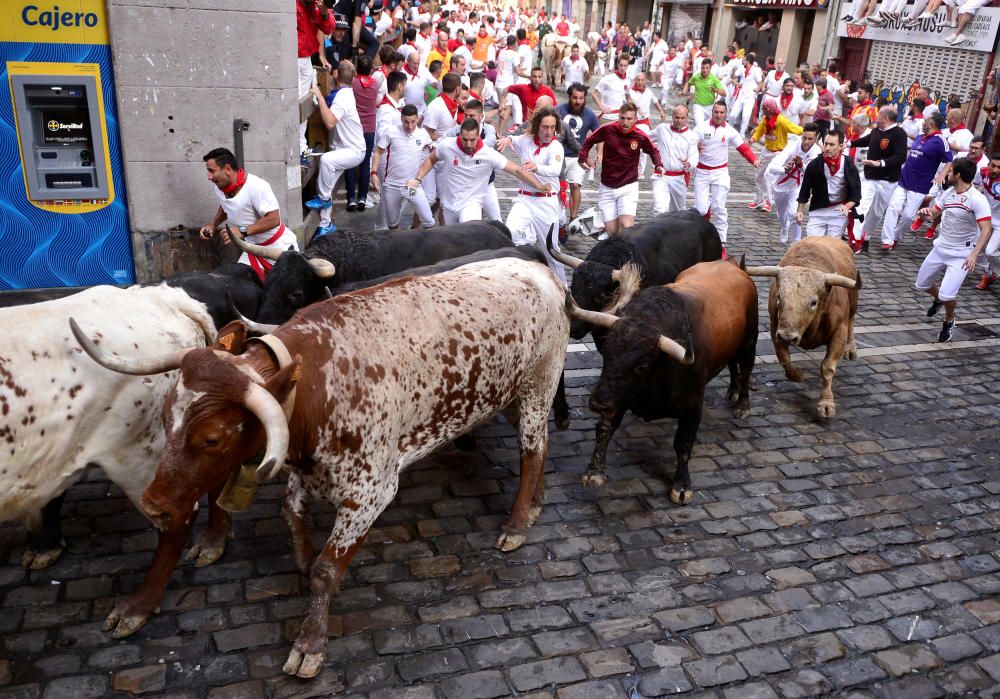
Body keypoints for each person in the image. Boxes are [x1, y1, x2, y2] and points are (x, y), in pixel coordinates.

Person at [406, 117, 552, 222]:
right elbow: (431, 159)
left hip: (471, 206)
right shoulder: (447, 145)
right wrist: (418, 179)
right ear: (460, 135)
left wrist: (539, 186)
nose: (468, 144)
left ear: (478, 137)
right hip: (449, 206)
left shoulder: (488, 154)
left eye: (472, 140)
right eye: (465, 140)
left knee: (467, 240)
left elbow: (517, 170)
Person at [914, 158, 994, 342]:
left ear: (957, 175)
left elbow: (986, 229)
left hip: (961, 255)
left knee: (947, 294)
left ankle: (949, 320)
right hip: (940, 248)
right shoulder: (948, 192)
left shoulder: (977, 199)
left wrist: (974, 255)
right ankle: (939, 299)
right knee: (922, 284)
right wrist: (924, 213)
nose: (947, 174)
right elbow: (934, 213)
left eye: (950, 172)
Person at [198, 147, 297, 280]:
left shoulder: (257, 186)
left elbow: (274, 219)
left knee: (282, 295)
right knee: (239, 286)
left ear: (227, 169)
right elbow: (226, 206)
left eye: (212, 171)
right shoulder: (220, 188)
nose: (209, 177)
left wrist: (242, 231)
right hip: (251, 250)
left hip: (279, 249)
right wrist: (213, 225)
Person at [501, 107, 568, 283]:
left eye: (552, 127)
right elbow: (514, 139)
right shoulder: (526, 140)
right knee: (511, 232)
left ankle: (564, 291)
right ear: (537, 126)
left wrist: (536, 167)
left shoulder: (556, 147)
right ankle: (525, 270)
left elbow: (555, 170)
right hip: (524, 199)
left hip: (547, 203)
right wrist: (507, 139)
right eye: (545, 127)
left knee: (551, 251)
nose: (549, 131)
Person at [578, 102, 664, 237]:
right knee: (613, 232)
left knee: (627, 226)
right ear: (619, 117)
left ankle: (629, 256)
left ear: (635, 119)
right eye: (622, 118)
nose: (625, 122)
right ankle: (617, 251)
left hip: (628, 186)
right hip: (607, 186)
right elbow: (589, 140)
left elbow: (653, 151)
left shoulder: (640, 136)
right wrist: (583, 157)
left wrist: (658, 165)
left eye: (629, 119)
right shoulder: (607, 129)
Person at [306, 61, 367, 236]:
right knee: (326, 183)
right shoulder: (346, 93)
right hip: (349, 149)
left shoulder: (343, 97)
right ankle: (325, 225)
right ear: (353, 78)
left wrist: (317, 91)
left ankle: (324, 200)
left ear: (335, 75)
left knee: (326, 160)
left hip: (353, 151)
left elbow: (330, 122)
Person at [693, 101, 760, 256]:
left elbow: (742, 148)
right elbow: (689, 142)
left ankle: (721, 243)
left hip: (720, 173)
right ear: (712, 111)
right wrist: (695, 147)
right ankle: (703, 231)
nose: (718, 115)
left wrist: (754, 160)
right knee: (701, 210)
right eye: (716, 112)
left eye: (721, 113)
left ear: (726, 113)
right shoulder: (701, 127)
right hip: (702, 173)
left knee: (719, 208)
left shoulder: (730, 131)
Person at [881, 113, 952, 251]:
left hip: (920, 185)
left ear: (932, 124)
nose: (923, 123)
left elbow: (949, 159)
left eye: (925, 121)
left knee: (908, 216)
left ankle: (895, 237)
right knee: (893, 207)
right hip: (904, 179)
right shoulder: (920, 137)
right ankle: (887, 240)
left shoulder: (940, 140)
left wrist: (942, 175)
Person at [848, 105, 908, 252]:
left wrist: (880, 163)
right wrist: (849, 143)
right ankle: (854, 239)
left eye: (879, 115)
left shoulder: (899, 134)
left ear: (886, 118)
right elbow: (867, 140)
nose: (876, 118)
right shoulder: (876, 130)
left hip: (888, 180)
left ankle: (865, 237)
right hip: (870, 177)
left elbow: (900, 157)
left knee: (876, 212)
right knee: (861, 206)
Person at [371, 104, 435, 229]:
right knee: (392, 225)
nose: (409, 126)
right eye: (406, 122)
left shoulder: (423, 135)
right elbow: (378, 152)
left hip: (411, 186)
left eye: (413, 122)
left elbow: (431, 153)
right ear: (401, 118)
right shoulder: (390, 132)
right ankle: (398, 247)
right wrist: (373, 173)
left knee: (428, 220)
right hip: (391, 186)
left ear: (417, 119)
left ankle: (426, 246)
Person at [796, 130, 861, 238]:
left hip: (838, 211)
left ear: (840, 146)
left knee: (832, 247)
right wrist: (800, 210)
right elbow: (805, 189)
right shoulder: (814, 164)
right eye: (826, 144)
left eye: (831, 144)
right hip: (818, 210)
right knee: (813, 245)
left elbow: (856, 192)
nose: (827, 148)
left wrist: (847, 206)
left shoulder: (848, 164)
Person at [767, 122, 822, 244]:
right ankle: (784, 227)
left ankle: (795, 244)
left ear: (816, 138)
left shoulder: (816, 151)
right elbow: (771, 168)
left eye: (810, 139)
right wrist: (784, 169)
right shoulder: (792, 146)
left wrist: (801, 164)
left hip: (797, 186)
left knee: (794, 214)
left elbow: (811, 172)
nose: (806, 142)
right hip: (780, 186)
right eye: (804, 138)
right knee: (782, 215)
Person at [748, 97, 804, 212]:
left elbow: (796, 129)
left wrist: (808, 131)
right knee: (758, 176)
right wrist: (753, 139)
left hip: (778, 153)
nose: (762, 110)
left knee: (768, 175)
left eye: (764, 108)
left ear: (769, 109)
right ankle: (758, 199)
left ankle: (768, 201)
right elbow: (760, 130)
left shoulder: (781, 121)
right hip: (767, 151)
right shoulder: (765, 119)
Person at [296, 0, 334, 158]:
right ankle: (296, 148)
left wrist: (324, 11)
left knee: (304, 102)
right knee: (295, 102)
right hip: (293, 57)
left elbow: (329, 27)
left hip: (306, 57)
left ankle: (301, 146)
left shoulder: (314, 6)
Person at [557, 83, 600, 221]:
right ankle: (558, 217)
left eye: (581, 98)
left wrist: (600, 152)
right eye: (575, 98)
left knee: (575, 185)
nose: (578, 101)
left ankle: (573, 218)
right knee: (558, 188)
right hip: (559, 157)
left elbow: (600, 135)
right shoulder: (558, 110)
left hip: (578, 157)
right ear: (569, 97)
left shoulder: (590, 115)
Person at [649, 104, 699, 214]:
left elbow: (694, 157)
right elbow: (646, 138)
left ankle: (676, 231)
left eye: (682, 118)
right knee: (660, 209)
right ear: (672, 116)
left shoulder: (691, 136)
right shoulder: (662, 129)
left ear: (687, 118)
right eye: (677, 117)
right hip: (660, 176)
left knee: (678, 212)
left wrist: (689, 163)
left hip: (679, 178)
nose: (679, 120)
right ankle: (660, 231)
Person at [346, 56, 380, 212]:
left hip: (355, 129)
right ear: (371, 69)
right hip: (370, 129)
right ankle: (363, 197)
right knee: (365, 163)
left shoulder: (353, 84)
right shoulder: (375, 84)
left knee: (350, 163)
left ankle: (351, 199)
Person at [500, 66, 556, 132]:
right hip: (527, 127)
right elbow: (506, 89)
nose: (537, 79)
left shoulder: (548, 91)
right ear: (530, 77)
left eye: (539, 77)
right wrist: (501, 104)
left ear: (542, 77)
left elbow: (555, 108)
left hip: (542, 127)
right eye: (534, 76)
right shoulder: (523, 89)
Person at [974, 149, 1000, 289]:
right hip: (986, 219)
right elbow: (978, 187)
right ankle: (989, 275)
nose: (995, 169)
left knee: (990, 251)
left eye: (999, 167)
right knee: (980, 249)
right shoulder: (982, 172)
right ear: (988, 164)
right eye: (993, 165)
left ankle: (992, 274)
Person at [684, 58, 726, 126]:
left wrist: (716, 90)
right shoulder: (696, 77)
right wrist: (684, 91)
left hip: (710, 107)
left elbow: (724, 93)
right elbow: (688, 83)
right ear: (701, 68)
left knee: (709, 127)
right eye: (703, 68)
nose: (704, 70)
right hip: (698, 106)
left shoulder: (714, 78)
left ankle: (703, 136)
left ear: (710, 68)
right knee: (700, 125)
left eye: (707, 68)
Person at [730, 53, 763, 136]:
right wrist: (734, 69)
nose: (743, 61)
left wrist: (757, 89)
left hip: (750, 97)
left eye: (744, 60)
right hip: (741, 95)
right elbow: (734, 76)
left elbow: (760, 82)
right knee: (732, 115)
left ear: (748, 61)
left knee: (745, 116)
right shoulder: (742, 69)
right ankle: (729, 130)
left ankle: (742, 133)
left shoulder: (756, 70)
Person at [592, 54, 632, 121]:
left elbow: (628, 97)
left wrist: (635, 108)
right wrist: (601, 107)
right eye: (621, 65)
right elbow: (594, 94)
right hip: (606, 117)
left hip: (620, 118)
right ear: (617, 65)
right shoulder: (607, 78)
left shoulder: (627, 81)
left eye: (625, 66)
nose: (623, 68)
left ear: (628, 66)